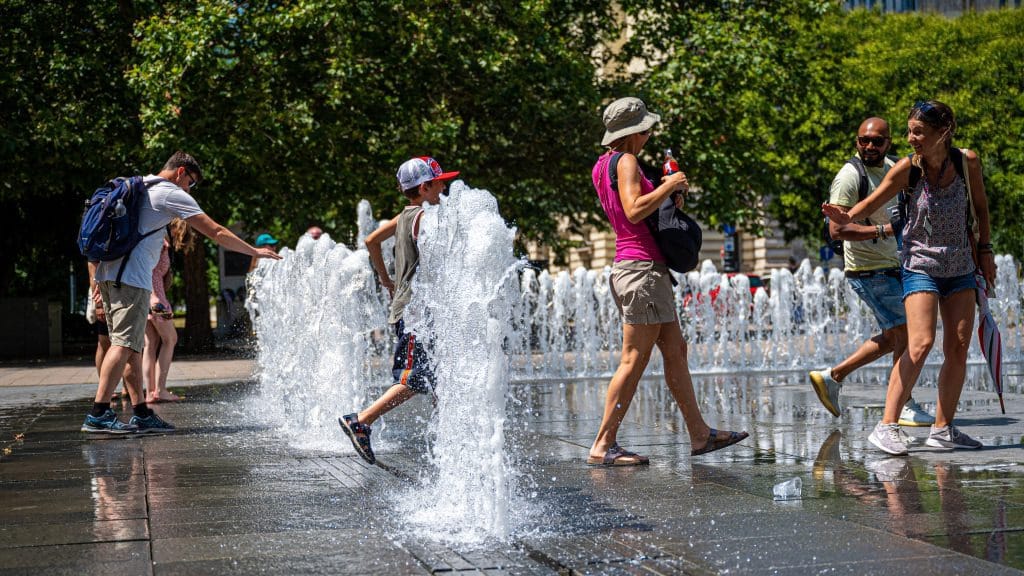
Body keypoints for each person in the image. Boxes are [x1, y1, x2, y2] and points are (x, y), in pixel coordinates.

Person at [823, 100, 995, 454]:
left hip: (961, 267)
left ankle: (943, 429)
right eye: (909, 130)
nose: (911, 138)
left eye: (918, 132)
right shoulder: (907, 169)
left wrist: (986, 252)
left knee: (959, 345)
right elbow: (867, 206)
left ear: (943, 132)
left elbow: (981, 208)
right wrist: (844, 216)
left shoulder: (967, 162)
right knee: (919, 343)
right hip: (920, 267)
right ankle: (887, 426)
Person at [587, 97, 748, 466]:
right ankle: (603, 443)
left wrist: (665, 195)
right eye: (646, 128)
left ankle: (699, 434)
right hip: (640, 269)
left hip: (640, 268)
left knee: (675, 351)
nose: (649, 133)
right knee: (633, 359)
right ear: (636, 132)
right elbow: (633, 209)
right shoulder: (625, 160)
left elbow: (633, 211)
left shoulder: (602, 165)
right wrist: (668, 185)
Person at [83, 151, 282, 434]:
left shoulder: (142, 184)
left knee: (132, 348)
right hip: (131, 279)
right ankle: (99, 413)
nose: (189, 189)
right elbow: (216, 231)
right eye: (191, 182)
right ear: (181, 172)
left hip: (112, 275)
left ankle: (140, 411)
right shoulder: (168, 192)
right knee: (125, 345)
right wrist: (253, 251)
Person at [809, 117, 934, 428]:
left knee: (898, 335)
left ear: (889, 142)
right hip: (868, 270)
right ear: (856, 141)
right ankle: (902, 402)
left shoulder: (894, 167)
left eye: (877, 141)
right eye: (864, 140)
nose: (870, 146)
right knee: (907, 334)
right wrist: (884, 230)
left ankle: (834, 376)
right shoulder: (850, 176)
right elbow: (838, 230)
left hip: (894, 264)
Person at [338, 156, 459, 465]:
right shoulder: (425, 218)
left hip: (418, 308)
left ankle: (452, 438)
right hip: (417, 312)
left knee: (438, 377)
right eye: (439, 182)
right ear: (424, 186)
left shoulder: (406, 215)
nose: (444, 186)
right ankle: (361, 421)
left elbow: (371, 240)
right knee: (414, 378)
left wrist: (386, 279)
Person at [142, 219, 186, 403]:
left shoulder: (155, 240)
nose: (182, 237)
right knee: (170, 339)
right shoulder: (161, 242)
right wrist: (154, 299)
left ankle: (150, 392)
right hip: (156, 298)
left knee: (150, 343)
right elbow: (149, 270)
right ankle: (160, 389)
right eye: (182, 232)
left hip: (145, 297)